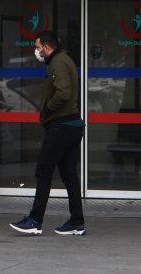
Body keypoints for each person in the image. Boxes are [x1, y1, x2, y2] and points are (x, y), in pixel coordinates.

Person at [10, 30, 86, 236]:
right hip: (71, 126)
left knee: (43, 171)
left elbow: (63, 92)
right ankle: (77, 223)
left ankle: (35, 220)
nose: (36, 51)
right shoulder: (62, 60)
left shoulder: (58, 62)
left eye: (37, 47)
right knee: (69, 175)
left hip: (61, 126)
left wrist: (47, 109)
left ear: (46, 46)